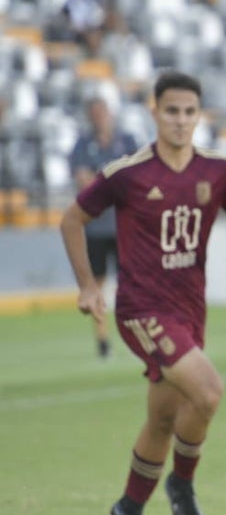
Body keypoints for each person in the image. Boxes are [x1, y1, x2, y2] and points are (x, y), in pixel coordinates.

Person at [59, 70, 226, 515]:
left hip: (190, 308)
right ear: (154, 112)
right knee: (208, 392)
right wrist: (87, 286)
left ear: (199, 115)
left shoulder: (219, 171)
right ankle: (182, 485)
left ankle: (129, 506)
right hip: (141, 308)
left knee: (164, 419)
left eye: (190, 112)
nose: (181, 121)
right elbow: (72, 219)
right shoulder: (127, 174)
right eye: (172, 111)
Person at [68, 96, 140, 358]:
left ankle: (133, 335)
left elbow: (135, 180)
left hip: (123, 225)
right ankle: (102, 339)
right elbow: (83, 181)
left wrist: (102, 181)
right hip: (97, 225)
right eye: (95, 112)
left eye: (103, 112)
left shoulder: (127, 141)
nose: (100, 117)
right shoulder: (83, 145)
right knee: (96, 284)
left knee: (130, 284)